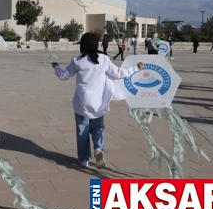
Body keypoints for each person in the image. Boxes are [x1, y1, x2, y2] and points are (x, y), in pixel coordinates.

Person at [52, 33, 144, 168]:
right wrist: (136, 68)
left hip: (81, 104)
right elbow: (119, 73)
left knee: (82, 131)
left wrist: (56, 67)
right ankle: (98, 148)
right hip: (99, 103)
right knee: (98, 128)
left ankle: (84, 160)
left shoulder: (78, 61)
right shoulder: (104, 59)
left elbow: (64, 76)